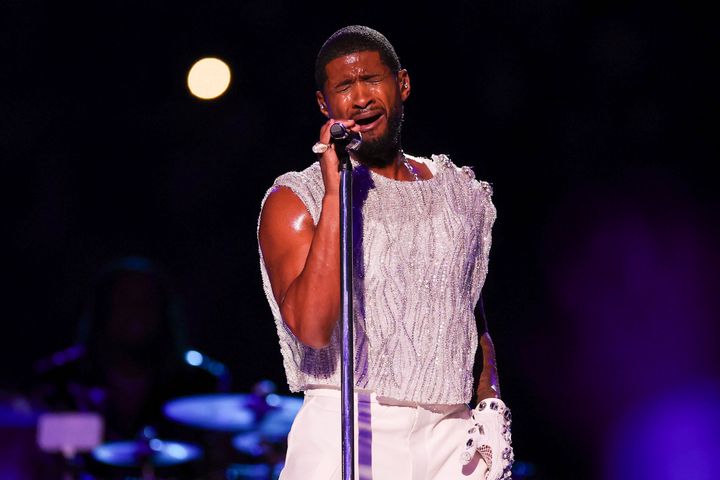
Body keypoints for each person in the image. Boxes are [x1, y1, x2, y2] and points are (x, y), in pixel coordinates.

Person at [258, 26, 513, 480]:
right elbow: (312, 328)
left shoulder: (460, 193)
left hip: (453, 434)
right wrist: (337, 192)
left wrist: (490, 403)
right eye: (343, 87)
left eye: (371, 80)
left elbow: (470, 313)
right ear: (324, 105)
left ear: (402, 85)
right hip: (350, 422)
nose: (360, 99)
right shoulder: (296, 199)